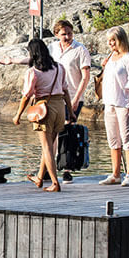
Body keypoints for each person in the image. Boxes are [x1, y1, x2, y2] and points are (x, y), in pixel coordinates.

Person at [12, 38, 72, 192]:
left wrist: (18, 115)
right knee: (50, 145)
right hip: (60, 107)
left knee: (47, 147)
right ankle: (39, 177)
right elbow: (65, 91)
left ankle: (55, 183)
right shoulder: (59, 67)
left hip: (44, 109)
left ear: (32, 54)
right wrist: (70, 112)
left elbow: (26, 96)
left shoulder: (33, 72)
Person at [50, 19, 91, 182]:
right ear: (56, 34)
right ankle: (50, 167)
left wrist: (75, 99)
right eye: (63, 34)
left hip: (73, 96)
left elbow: (85, 77)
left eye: (69, 33)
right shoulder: (52, 48)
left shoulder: (80, 49)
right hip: (55, 96)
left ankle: (66, 168)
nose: (67, 37)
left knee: (67, 130)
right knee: (52, 132)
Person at [99, 26, 129, 187]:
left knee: (127, 138)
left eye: (113, 40)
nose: (111, 43)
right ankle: (115, 173)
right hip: (109, 101)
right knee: (113, 138)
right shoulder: (110, 57)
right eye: (109, 41)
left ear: (120, 40)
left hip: (123, 102)